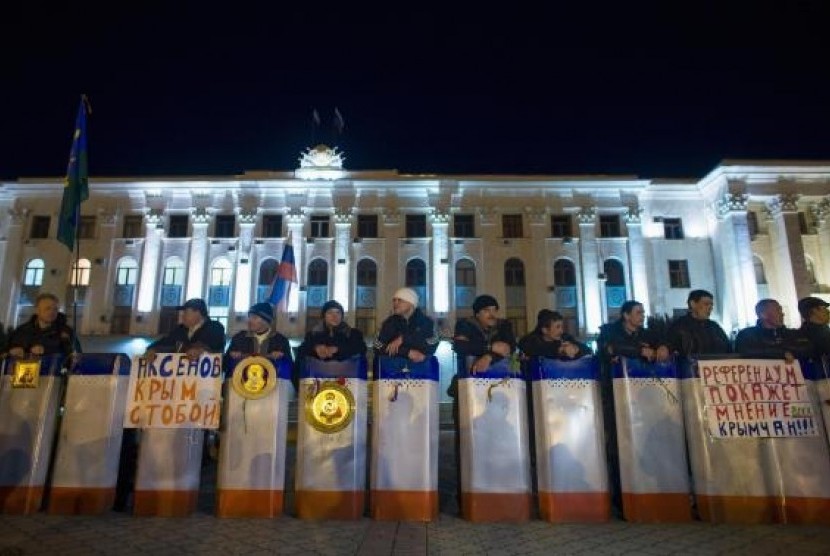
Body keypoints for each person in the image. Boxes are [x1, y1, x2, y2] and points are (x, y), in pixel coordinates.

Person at [596, 300, 669, 520]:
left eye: (643, 312)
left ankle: (651, 493)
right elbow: (609, 349)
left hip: (646, 397)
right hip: (615, 396)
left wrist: (665, 347)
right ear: (626, 316)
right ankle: (620, 497)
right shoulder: (609, 331)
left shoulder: (648, 333)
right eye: (638, 312)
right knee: (620, 446)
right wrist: (639, 350)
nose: (643, 316)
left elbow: (663, 346)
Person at [449, 294, 516, 516]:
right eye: (487, 310)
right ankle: (467, 495)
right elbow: (461, 347)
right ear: (477, 313)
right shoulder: (464, 324)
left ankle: (499, 492)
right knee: (469, 443)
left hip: (499, 393)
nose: (492, 314)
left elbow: (510, 347)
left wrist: (487, 356)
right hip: (468, 391)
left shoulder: (504, 325)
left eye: (494, 309)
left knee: (497, 442)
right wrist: (492, 348)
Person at [143, 298, 226, 360]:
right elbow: (166, 341)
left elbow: (214, 345)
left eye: (186, 312)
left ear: (197, 313)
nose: (182, 316)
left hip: (204, 380)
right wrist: (152, 349)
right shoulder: (180, 329)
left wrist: (200, 350)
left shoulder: (215, 327)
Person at [373, 287, 439, 363]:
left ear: (411, 303)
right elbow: (377, 346)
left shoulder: (427, 322)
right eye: (394, 300)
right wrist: (407, 353)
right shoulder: (389, 323)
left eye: (400, 300)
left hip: (421, 368)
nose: (395, 303)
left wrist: (404, 339)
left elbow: (432, 345)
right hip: (394, 369)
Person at [6, 293, 81, 358]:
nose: (52, 312)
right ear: (37, 310)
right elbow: (6, 352)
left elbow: (76, 354)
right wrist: (11, 352)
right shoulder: (22, 331)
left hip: (54, 372)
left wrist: (46, 350)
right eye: (47, 308)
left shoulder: (66, 332)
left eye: (55, 309)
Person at [734, 298, 812, 360]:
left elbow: (808, 349)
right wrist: (780, 353)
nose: (782, 314)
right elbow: (746, 352)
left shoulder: (794, 334)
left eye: (781, 310)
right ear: (763, 315)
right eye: (778, 310)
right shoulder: (747, 335)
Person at [296, 300, 366, 363]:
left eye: (338, 313)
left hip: (346, 373)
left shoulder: (353, 333)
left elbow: (361, 348)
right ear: (324, 316)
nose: (334, 316)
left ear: (342, 316)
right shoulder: (313, 334)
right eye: (330, 313)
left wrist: (337, 349)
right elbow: (301, 350)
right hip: (319, 373)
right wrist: (315, 348)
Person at [667, 289, 732, 357]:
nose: (710, 308)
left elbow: (729, 349)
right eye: (706, 304)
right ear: (693, 304)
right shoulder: (679, 326)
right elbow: (669, 347)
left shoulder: (715, 327)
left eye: (711, 305)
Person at [226, 302, 292, 362]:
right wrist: (232, 356)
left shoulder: (281, 341)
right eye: (249, 317)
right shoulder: (239, 338)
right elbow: (225, 364)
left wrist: (281, 357)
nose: (249, 320)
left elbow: (290, 367)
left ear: (266, 321)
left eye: (254, 318)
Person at [518, 309, 591, 359]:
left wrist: (575, 349)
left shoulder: (565, 337)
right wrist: (559, 351)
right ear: (545, 330)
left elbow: (588, 350)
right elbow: (537, 352)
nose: (561, 331)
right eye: (557, 327)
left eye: (562, 327)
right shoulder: (531, 341)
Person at [797, 296, 830, 361]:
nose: (828, 311)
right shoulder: (817, 335)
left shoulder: (822, 331)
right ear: (814, 311)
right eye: (824, 308)